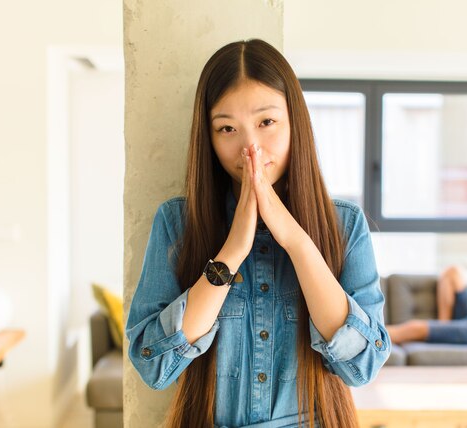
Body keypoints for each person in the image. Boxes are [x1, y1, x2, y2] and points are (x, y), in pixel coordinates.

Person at [125, 39, 390, 428]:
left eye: (266, 122)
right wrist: (233, 250)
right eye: (227, 128)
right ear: (209, 137)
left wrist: (297, 242)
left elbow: (362, 365)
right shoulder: (177, 223)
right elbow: (154, 364)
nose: (250, 147)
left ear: (294, 121)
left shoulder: (344, 224)